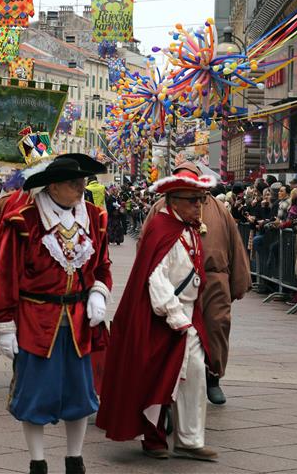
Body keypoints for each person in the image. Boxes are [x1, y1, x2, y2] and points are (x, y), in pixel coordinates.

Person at [0, 154, 112, 474]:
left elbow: (102, 267)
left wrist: (98, 291)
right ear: (53, 185)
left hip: (80, 321)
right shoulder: (25, 220)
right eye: (74, 183)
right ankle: (37, 461)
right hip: (35, 320)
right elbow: (4, 275)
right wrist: (4, 326)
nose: (82, 189)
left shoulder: (94, 218)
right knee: (35, 395)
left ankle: (75, 459)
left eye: (83, 183)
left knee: (80, 395)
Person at [96, 168, 217, 462]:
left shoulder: (187, 228)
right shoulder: (161, 228)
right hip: (161, 317)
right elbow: (156, 278)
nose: (199, 206)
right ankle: (153, 438)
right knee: (158, 378)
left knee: (194, 374)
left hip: (188, 314)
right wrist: (175, 315)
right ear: (174, 201)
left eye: (201, 200)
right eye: (193, 200)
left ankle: (189, 440)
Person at [141, 162, 251, 405]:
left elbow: (235, 244)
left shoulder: (219, 209)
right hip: (175, 283)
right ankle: (168, 383)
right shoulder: (161, 208)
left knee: (216, 327)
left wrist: (238, 280)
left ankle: (213, 378)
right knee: (172, 333)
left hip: (214, 280)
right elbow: (146, 245)